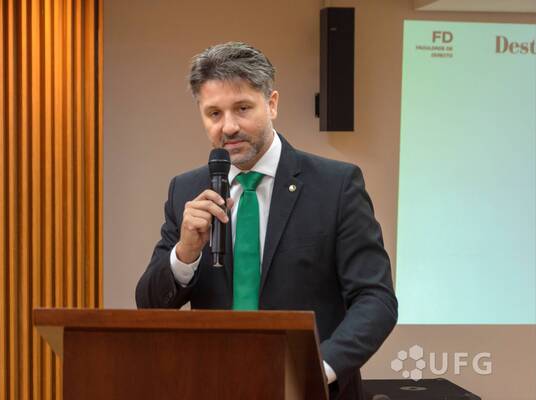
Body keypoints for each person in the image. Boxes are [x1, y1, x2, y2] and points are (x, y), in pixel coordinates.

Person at [136, 42, 397, 400]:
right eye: (214, 113)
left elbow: (375, 299)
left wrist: (318, 370)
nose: (229, 127)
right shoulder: (186, 190)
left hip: (312, 390)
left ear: (271, 103)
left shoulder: (336, 185)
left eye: (242, 108)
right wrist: (185, 253)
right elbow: (150, 305)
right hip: (214, 387)